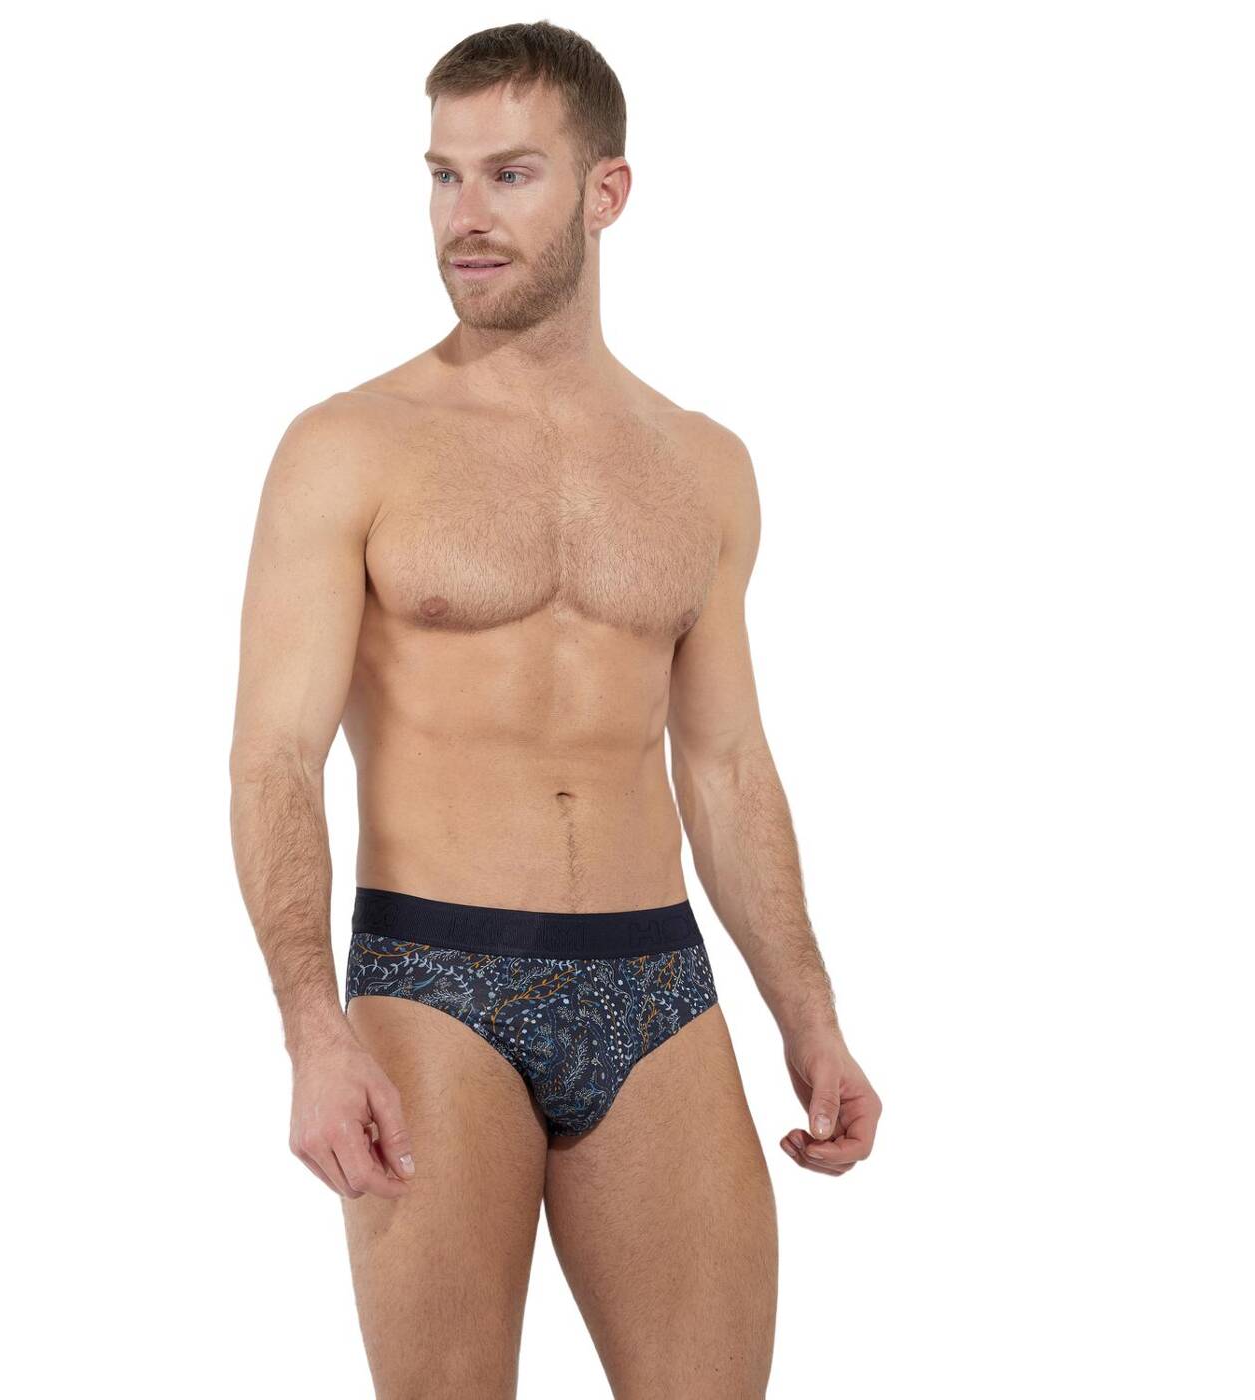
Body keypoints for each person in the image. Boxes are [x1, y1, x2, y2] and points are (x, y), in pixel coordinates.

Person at [229, 19, 882, 1399]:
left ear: (606, 192)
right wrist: (312, 1030)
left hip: (657, 982)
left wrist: (809, 1015)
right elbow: (275, 758)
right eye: (443, 175)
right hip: (432, 981)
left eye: (510, 175)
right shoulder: (349, 445)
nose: (463, 216)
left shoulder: (702, 464)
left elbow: (727, 764)